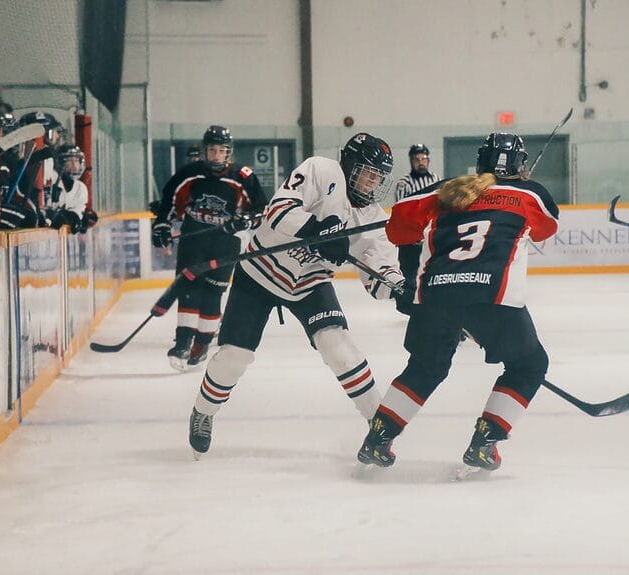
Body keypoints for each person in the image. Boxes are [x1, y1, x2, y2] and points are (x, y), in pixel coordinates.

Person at [187, 132, 409, 460]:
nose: (374, 182)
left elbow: (378, 271)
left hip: (310, 283)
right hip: (260, 272)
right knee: (235, 357)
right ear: (349, 165)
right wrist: (317, 231)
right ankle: (203, 411)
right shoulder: (322, 170)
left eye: (379, 177)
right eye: (368, 172)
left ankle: (379, 428)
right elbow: (278, 210)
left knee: (339, 347)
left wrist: (397, 287)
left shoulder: (373, 218)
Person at [355, 132, 560, 480]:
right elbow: (547, 228)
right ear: (520, 165)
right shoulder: (532, 193)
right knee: (529, 365)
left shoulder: (445, 189)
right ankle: (485, 441)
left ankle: (378, 438)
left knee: (425, 368)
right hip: (493, 298)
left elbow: (399, 229)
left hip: (434, 294)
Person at [151, 125, 268, 372]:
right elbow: (168, 202)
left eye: (221, 151)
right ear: (205, 151)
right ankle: (182, 343)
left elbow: (262, 208)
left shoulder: (242, 176)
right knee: (189, 289)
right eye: (212, 150)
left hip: (227, 243)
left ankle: (201, 344)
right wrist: (161, 224)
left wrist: (246, 220)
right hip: (194, 239)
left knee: (213, 294)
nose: (216, 155)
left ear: (229, 153)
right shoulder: (190, 173)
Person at [392, 144, 439, 315]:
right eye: (417, 160)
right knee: (410, 277)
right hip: (410, 243)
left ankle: (433, 311)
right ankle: (413, 309)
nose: (421, 163)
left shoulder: (436, 179)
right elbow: (402, 213)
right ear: (411, 161)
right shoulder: (404, 184)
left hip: (430, 239)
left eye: (423, 159)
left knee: (433, 276)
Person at [41, 144, 90, 232]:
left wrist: (73, 217)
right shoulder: (51, 178)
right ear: (60, 162)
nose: (74, 165)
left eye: (76, 160)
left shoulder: (81, 188)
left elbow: (78, 211)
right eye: (69, 161)